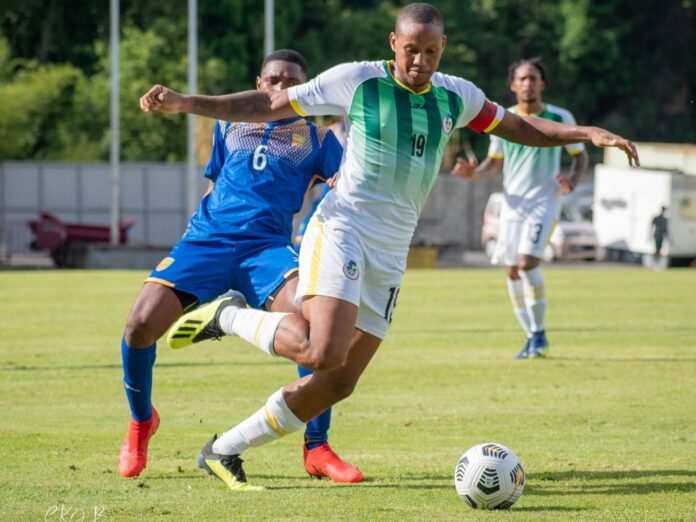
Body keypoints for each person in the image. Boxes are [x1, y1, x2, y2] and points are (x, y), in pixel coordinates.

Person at [141, 2, 639, 490]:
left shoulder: (456, 96)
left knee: (339, 382)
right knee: (320, 351)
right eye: (410, 51)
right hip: (344, 230)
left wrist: (586, 133)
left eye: (430, 52)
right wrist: (188, 103)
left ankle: (224, 449)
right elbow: (268, 105)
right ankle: (227, 315)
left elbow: (518, 126)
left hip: (391, 251)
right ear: (393, 44)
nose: (419, 62)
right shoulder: (357, 81)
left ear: (443, 48)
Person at [119, 49, 363, 486]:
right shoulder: (229, 123)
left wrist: (336, 185)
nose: (280, 88)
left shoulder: (318, 139)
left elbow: (343, 185)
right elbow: (219, 181)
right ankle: (141, 424)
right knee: (139, 325)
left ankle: (317, 447)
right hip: (205, 243)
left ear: (305, 90)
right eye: (272, 80)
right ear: (258, 81)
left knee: (313, 330)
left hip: (266, 250)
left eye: (291, 82)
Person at [452, 58, 589, 359]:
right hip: (512, 205)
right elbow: (494, 162)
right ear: (513, 85)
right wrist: (473, 173)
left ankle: (538, 334)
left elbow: (580, 154)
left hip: (544, 201)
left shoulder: (559, 116)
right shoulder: (504, 118)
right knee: (512, 270)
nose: (528, 83)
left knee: (527, 263)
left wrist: (573, 181)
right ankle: (532, 337)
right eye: (522, 79)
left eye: (533, 78)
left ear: (543, 84)